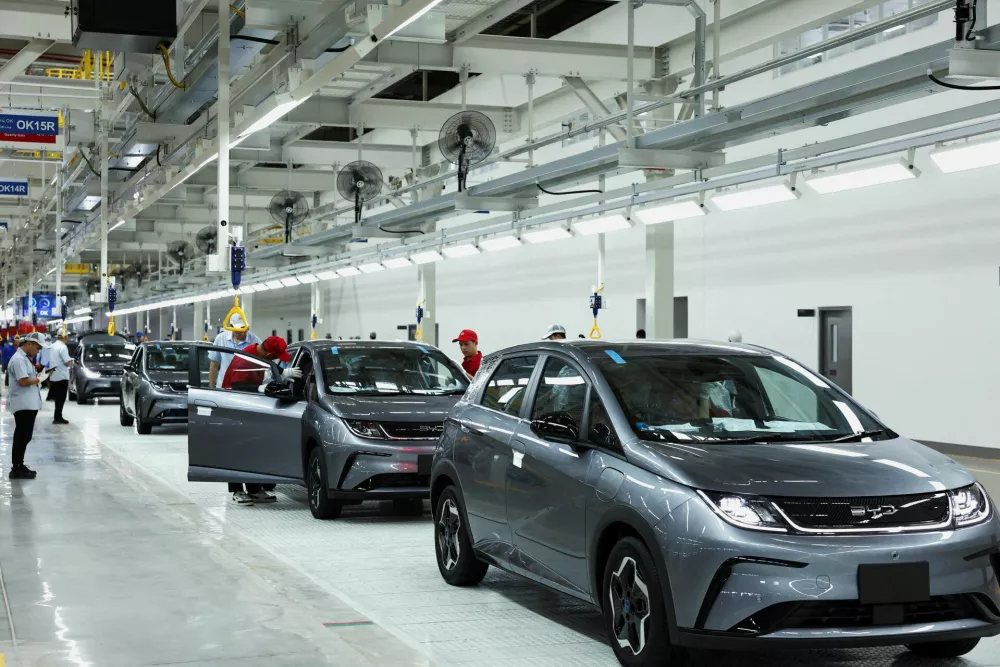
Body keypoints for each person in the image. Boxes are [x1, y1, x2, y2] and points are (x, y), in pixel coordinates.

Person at [220, 336, 301, 506]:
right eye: (276, 356)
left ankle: (254, 489)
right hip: (235, 408)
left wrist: (280, 372)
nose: (277, 359)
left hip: (250, 407)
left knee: (252, 447)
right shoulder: (244, 361)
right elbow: (237, 387)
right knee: (238, 449)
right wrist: (260, 388)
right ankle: (237, 490)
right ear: (269, 352)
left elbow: (266, 368)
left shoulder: (259, 357)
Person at [7, 333, 50, 479]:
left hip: (27, 403)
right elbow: (23, 381)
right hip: (23, 404)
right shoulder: (19, 359)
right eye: (38, 348)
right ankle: (16, 467)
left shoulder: (24, 358)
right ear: (29, 343)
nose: (38, 351)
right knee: (22, 435)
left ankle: (19, 464)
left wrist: (38, 376)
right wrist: (39, 379)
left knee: (24, 435)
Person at [208, 313, 262, 389]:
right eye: (238, 331)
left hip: (246, 389)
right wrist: (211, 387)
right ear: (231, 327)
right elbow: (214, 365)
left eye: (244, 329)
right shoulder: (220, 339)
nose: (242, 333)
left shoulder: (255, 342)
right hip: (223, 388)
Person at [48, 332, 73, 424]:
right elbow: (67, 362)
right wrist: (70, 361)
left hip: (54, 376)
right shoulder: (63, 347)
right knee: (61, 399)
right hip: (62, 376)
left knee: (57, 398)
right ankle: (58, 417)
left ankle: (57, 416)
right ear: (65, 337)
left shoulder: (52, 346)